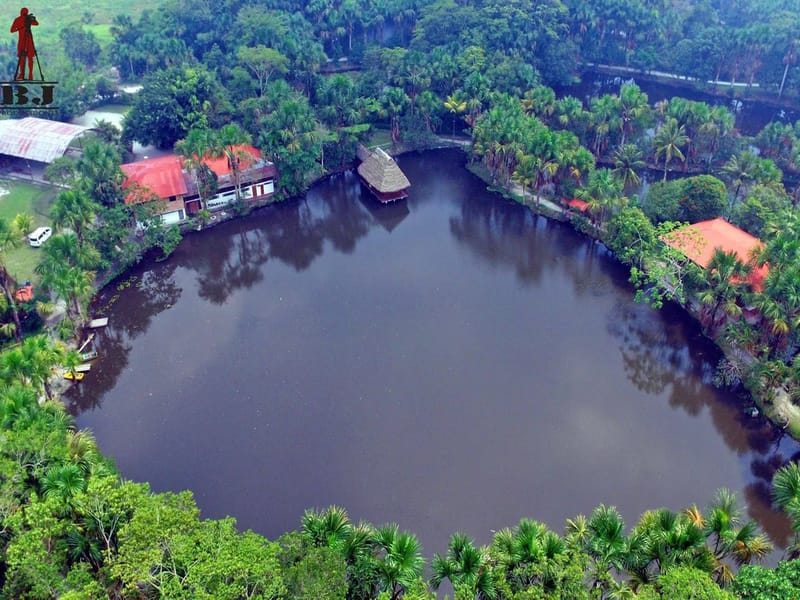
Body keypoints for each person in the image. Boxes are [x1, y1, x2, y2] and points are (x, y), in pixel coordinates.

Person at [10, 8, 38, 80]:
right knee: (27, 58)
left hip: (26, 41)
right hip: (24, 41)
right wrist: (21, 27)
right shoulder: (19, 19)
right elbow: (12, 30)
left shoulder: (20, 19)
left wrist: (31, 19)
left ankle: (27, 74)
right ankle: (26, 74)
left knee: (26, 57)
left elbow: (36, 23)